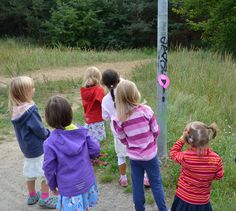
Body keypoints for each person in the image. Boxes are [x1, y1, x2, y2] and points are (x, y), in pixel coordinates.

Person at [113, 79, 168, 211]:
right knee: (156, 183)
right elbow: (155, 131)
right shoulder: (146, 111)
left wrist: (131, 145)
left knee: (137, 185)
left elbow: (122, 138)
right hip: (150, 156)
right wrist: (151, 141)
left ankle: (139, 209)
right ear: (135, 94)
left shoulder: (119, 119)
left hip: (134, 158)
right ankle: (163, 209)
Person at [43, 96, 100, 211]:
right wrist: (92, 156)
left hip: (69, 188)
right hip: (87, 180)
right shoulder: (81, 131)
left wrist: (52, 185)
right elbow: (95, 147)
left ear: (49, 119)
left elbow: (48, 168)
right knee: (84, 205)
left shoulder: (50, 143)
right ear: (70, 113)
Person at [9, 76, 57, 208]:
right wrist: (48, 133)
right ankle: (45, 199)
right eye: (31, 88)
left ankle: (32, 196)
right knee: (45, 173)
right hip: (38, 148)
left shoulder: (15, 111)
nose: (34, 89)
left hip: (26, 149)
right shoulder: (30, 111)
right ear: (25, 93)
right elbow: (39, 129)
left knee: (30, 172)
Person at [170, 121, 224, 211]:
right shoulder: (216, 159)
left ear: (188, 141)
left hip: (183, 198)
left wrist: (182, 139)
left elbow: (173, 153)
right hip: (202, 202)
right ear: (207, 139)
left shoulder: (185, 157)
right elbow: (219, 176)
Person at [101, 69, 128, 187]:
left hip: (118, 132)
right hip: (133, 128)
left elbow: (105, 117)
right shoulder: (127, 91)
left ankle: (123, 178)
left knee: (121, 155)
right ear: (119, 79)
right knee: (139, 152)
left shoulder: (106, 100)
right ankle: (145, 177)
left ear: (104, 84)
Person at [80, 66, 107, 166]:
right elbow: (103, 103)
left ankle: (95, 155)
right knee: (95, 141)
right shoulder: (99, 90)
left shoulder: (84, 90)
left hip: (88, 118)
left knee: (91, 139)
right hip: (97, 119)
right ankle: (94, 159)